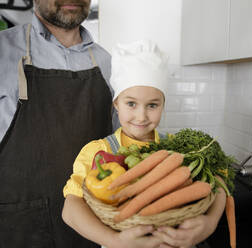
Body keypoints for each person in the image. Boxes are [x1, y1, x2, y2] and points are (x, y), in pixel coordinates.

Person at [62, 40, 227, 248]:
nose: (141, 116)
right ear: (116, 104)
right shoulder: (99, 151)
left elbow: (220, 179)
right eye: (131, 103)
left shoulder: (178, 148)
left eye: (152, 105)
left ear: (163, 104)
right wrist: (115, 241)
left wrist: (210, 223)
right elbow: (70, 209)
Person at [0, 0, 114, 247]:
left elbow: (120, 147)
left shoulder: (106, 62)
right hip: (17, 228)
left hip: (87, 228)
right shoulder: (3, 50)